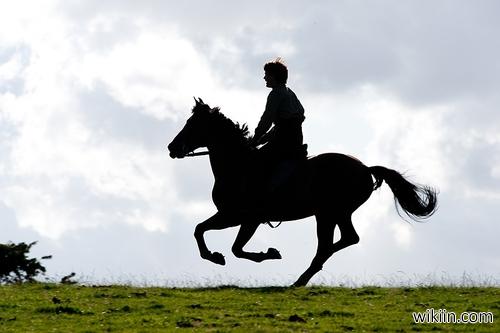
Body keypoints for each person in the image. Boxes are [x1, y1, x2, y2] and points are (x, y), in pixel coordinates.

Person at [251, 59, 307, 194]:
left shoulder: (276, 93)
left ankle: (265, 195)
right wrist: (263, 138)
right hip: (294, 139)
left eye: (267, 74)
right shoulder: (289, 92)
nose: (264, 77)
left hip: (283, 142)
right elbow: (283, 124)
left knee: (255, 162)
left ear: (274, 76)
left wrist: (255, 138)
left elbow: (267, 119)